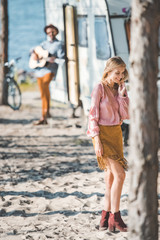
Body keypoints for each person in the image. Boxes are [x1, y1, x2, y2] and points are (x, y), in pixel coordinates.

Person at [87, 56, 129, 232]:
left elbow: (126, 115)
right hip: (102, 135)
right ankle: (116, 217)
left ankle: (105, 219)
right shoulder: (99, 88)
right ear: (108, 71)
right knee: (120, 175)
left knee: (111, 179)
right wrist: (96, 140)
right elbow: (92, 116)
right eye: (117, 73)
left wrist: (122, 96)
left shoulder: (119, 89)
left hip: (116, 135)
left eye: (122, 73)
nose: (120, 76)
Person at [30, 24, 65, 125]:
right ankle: (47, 112)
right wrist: (34, 54)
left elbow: (62, 58)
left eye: (52, 32)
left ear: (56, 32)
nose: (51, 34)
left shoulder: (59, 44)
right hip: (40, 70)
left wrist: (54, 59)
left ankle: (43, 116)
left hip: (50, 70)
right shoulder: (44, 44)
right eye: (48, 32)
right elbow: (34, 50)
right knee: (43, 93)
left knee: (45, 87)